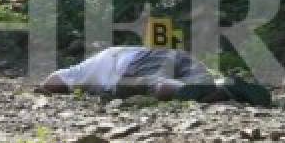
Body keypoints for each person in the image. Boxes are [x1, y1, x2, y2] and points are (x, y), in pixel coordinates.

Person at [38, 46, 272, 106]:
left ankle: (183, 90)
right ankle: (226, 86)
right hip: (176, 55)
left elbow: (51, 82)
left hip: (139, 63)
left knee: (153, 85)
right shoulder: (107, 54)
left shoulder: (81, 70)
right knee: (204, 83)